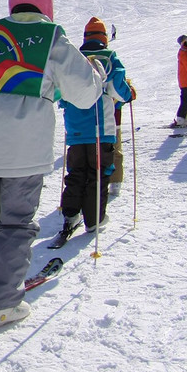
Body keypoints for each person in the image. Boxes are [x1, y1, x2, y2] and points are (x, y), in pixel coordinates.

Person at [0, 0, 104, 329]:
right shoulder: (53, 38)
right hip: (24, 148)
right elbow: (84, 94)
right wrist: (95, 73)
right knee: (16, 222)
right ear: (46, 6)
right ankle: (0, 305)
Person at [55, 17, 134, 241]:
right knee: (98, 174)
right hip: (101, 128)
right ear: (104, 38)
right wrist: (129, 93)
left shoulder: (74, 58)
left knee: (76, 173)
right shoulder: (109, 58)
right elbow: (120, 91)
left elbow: (61, 92)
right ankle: (94, 220)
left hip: (76, 129)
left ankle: (70, 215)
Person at [171, 35, 187, 127]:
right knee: (185, 99)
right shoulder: (183, 52)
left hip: (184, 80)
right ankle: (181, 119)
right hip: (185, 81)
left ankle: (182, 118)